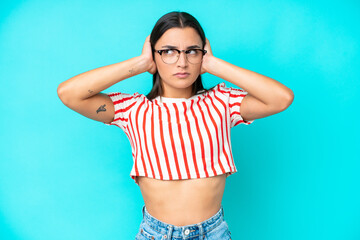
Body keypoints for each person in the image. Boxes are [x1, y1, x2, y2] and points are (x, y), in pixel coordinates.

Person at [57, 11, 294, 240]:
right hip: (155, 234)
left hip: (213, 234)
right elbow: (69, 94)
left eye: (191, 51)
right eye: (169, 51)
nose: (182, 62)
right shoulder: (133, 109)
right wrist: (140, 63)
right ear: (154, 54)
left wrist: (213, 64)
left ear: (202, 53)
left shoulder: (223, 102)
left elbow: (281, 98)